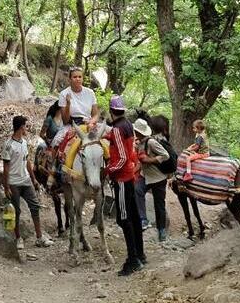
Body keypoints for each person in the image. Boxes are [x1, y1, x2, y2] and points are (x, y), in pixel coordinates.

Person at [103, 95, 145, 276]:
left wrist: (108, 170)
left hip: (121, 178)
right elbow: (128, 150)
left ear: (111, 111)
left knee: (123, 218)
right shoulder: (128, 125)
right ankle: (140, 254)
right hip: (130, 176)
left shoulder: (117, 130)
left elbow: (121, 157)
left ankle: (132, 259)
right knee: (134, 217)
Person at [1, 115, 54, 250]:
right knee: (16, 211)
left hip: (25, 180)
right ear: (20, 127)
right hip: (14, 182)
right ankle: (18, 238)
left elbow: (27, 162)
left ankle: (39, 237)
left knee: (35, 207)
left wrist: (33, 179)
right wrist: (6, 187)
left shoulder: (24, 142)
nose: (27, 129)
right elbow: (5, 167)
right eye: (25, 126)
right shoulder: (8, 145)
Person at [133, 118, 170, 241]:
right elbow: (140, 161)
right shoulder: (140, 143)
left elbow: (166, 155)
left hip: (158, 178)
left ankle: (161, 230)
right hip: (146, 176)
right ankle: (143, 219)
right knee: (138, 190)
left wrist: (150, 160)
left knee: (159, 204)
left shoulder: (151, 143)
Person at [51, 66, 99, 149]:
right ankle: (53, 161)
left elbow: (96, 115)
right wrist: (68, 103)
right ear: (69, 79)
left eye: (80, 77)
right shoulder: (64, 94)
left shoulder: (90, 92)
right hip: (71, 125)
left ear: (83, 78)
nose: (78, 79)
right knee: (56, 142)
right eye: (75, 77)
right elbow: (65, 120)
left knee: (105, 142)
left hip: (88, 124)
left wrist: (91, 122)